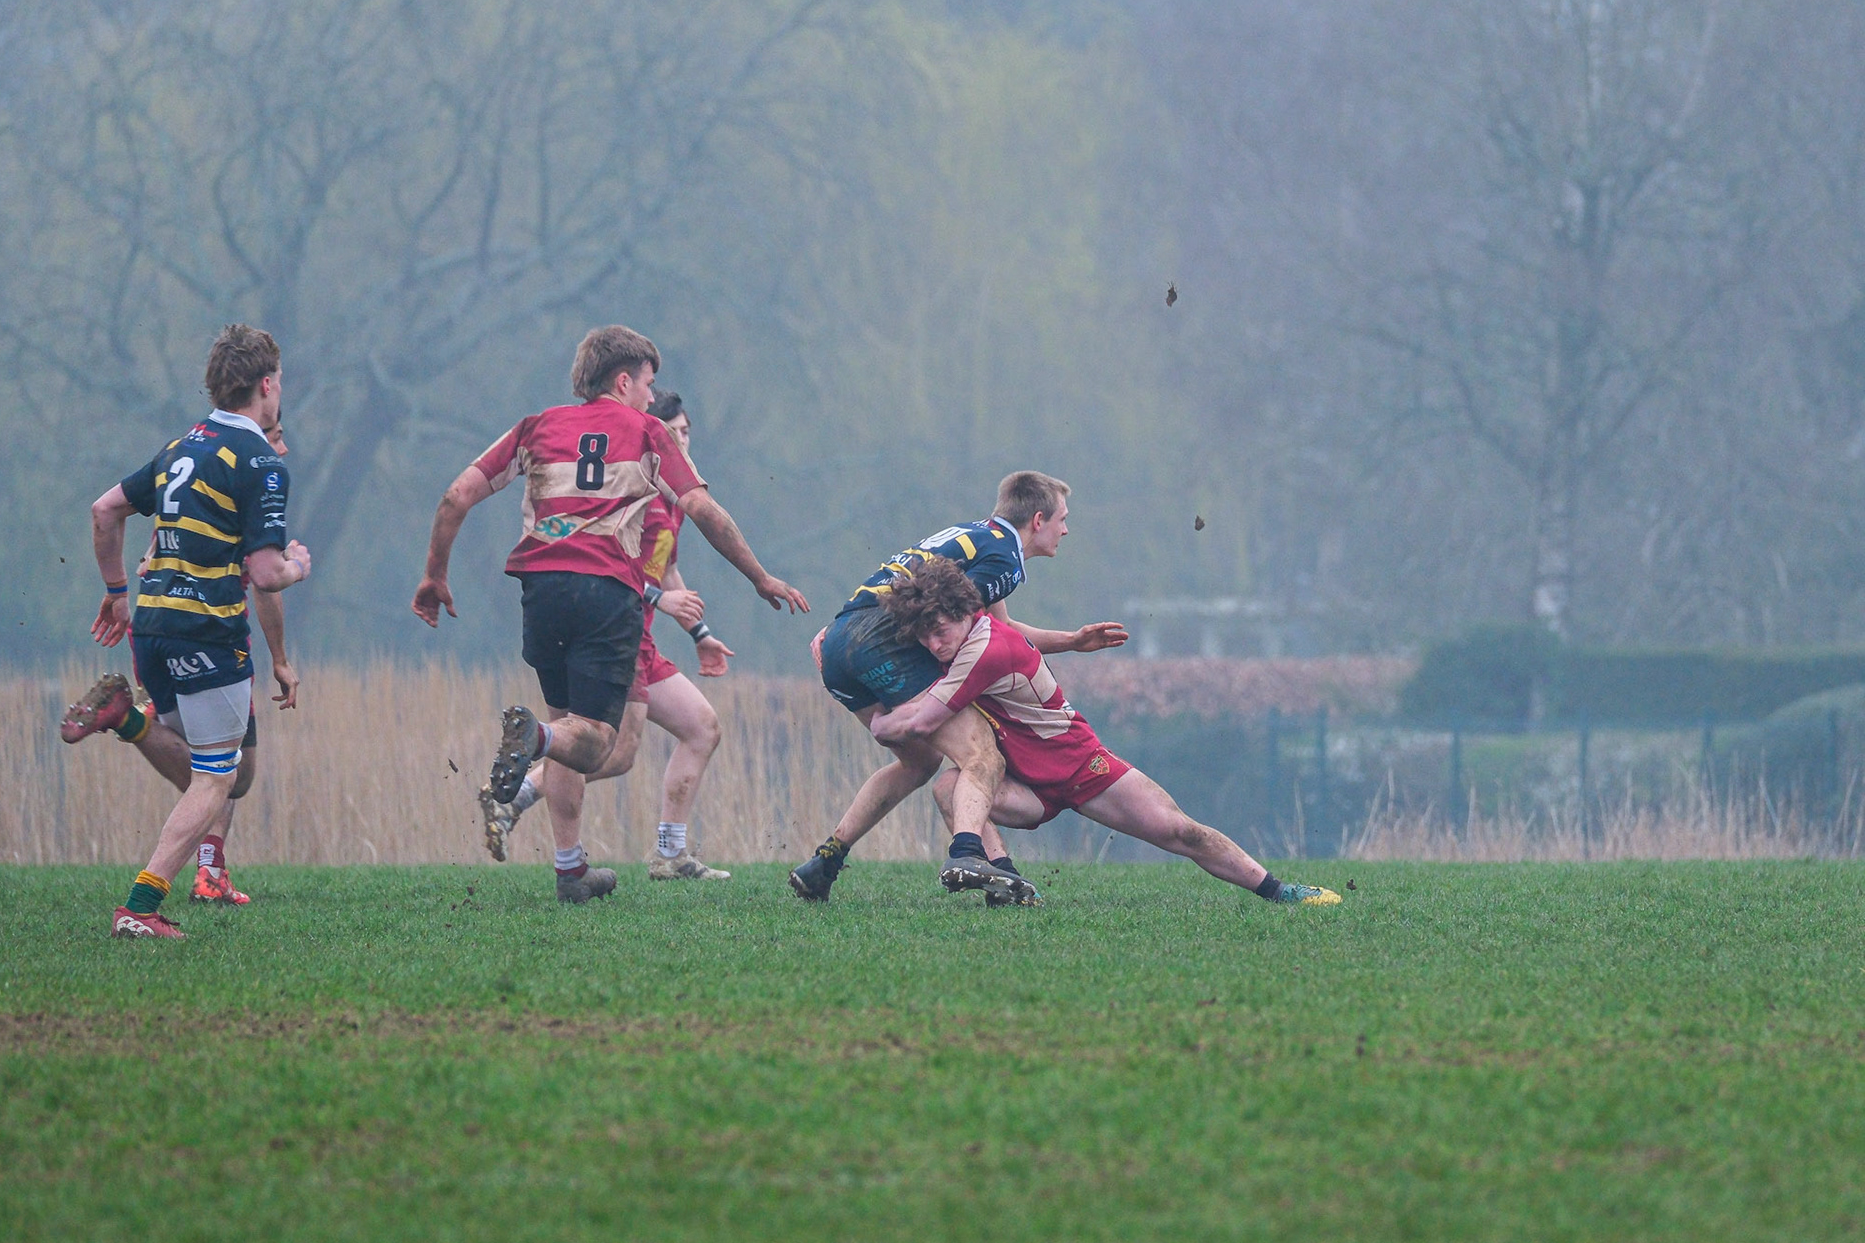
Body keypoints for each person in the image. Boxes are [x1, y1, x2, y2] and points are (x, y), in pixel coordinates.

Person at [412, 326, 807, 903]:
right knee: (597, 744)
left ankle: (570, 868)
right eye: (648, 384)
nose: (652, 396)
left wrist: (435, 575)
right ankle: (535, 741)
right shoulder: (647, 432)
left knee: (569, 728)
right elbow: (703, 508)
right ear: (624, 381)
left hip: (540, 591)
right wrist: (760, 577)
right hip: (606, 595)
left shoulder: (534, 428)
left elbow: (455, 497)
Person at [870, 557, 1342, 906]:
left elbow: (922, 721)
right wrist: (1073, 640)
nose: (934, 644)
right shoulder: (972, 636)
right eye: (924, 637)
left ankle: (1281, 892)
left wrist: (876, 718)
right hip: (1024, 782)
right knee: (949, 788)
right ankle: (1007, 885)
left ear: (964, 612)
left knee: (1181, 832)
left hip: (1081, 765)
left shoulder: (985, 649)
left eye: (940, 630)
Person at [788, 471, 1127, 903]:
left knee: (919, 762)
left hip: (841, 641)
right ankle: (972, 857)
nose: (1066, 529)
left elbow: (999, 629)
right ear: (1038, 520)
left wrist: (1073, 642)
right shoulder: (1006, 560)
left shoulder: (981, 540)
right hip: (882, 643)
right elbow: (945, 618)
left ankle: (825, 862)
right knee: (982, 755)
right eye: (1063, 519)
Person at [85, 324, 312, 938]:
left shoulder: (181, 447)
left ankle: (129, 721)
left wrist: (116, 592)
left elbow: (105, 510)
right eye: (280, 381)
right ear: (267, 385)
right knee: (219, 777)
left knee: (212, 770)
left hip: (152, 629)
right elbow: (266, 573)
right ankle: (140, 908)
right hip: (206, 630)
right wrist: (297, 564)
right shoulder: (260, 461)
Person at [481, 391, 736, 882]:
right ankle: (516, 796)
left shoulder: (675, 503)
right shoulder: (634, 492)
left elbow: (666, 571)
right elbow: (611, 568)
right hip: (617, 634)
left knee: (702, 727)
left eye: (687, 432)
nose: (683, 441)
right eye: (674, 433)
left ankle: (670, 854)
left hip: (643, 639)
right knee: (613, 751)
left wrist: (700, 633)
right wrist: (661, 600)